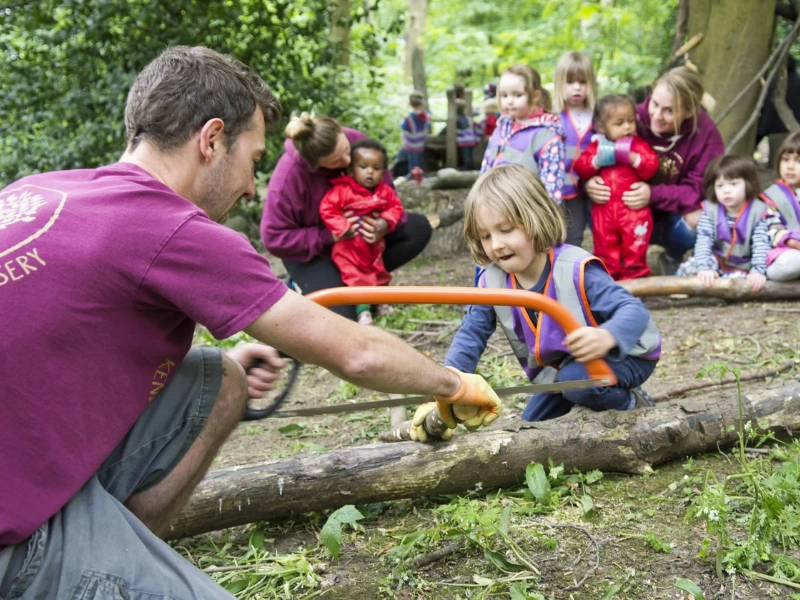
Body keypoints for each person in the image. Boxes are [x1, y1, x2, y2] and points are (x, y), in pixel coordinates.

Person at [0, 46, 502, 599]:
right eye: (254, 160)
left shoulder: (37, 192)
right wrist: (454, 384)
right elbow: (354, 352)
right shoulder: (170, 228)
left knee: (217, 379)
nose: (251, 187)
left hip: (22, 470)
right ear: (211, 140)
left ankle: (119, 563)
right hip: (14, 533)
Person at [446, 164, 661, 423]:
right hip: (563, 371)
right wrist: (450, 381)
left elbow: (634, 312)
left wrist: (607, 336)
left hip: (626, 355)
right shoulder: (491, 281)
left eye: (506, 230)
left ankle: (632, 406)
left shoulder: (576, 268)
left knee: (577, 381)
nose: (496, 244)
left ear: (535, 218)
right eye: (485, 236)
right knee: (531, 428)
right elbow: (472, 333)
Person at [261, 113, 432, 321]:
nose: (347, 160)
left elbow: (389, 195)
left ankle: (365, 282)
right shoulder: (288, 177)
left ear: (339, 129)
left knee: (418, 228)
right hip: (317, 252)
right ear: (315, 164)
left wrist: (384, 223)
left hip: (362, 244)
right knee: (343, 319)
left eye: (345, 150)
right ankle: (309, 283)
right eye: (336, 161)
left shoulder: (357, 142)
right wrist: (330, 236)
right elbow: (273, 238)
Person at [584, 67, 725, 274]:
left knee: (700, 217)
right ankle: (615, 263)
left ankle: (671, 257)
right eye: (655, 104)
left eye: (669, 110)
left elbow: (700, 189)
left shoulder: (706, 135)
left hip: (671, 216)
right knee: (595, 196)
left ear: (688, 111)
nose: (657, 115)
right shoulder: (630, 116)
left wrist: (652, 194)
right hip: (622, 209)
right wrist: (587, 182)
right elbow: (591, 148)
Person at [574, 95, 660, 280]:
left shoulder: (637, 144)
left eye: (630, 121)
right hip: (604, 210)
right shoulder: (596, 145)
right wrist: (596, 160)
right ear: (603, 127)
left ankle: (636, 277)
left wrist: (634, 158)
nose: (627, 127)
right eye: (619, 123)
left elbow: (651, 166)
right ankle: (608, 277)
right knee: (604, 244)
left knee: (635, 244)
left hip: (633, 209)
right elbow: (580, 167)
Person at [319, 139, 405, 324]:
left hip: (374, 247)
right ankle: (363, 310)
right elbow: (328, 209)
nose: (370, 172)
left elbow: (396, 207)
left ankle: (382, 302)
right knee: (356, 278)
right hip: (348, 249)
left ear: (383, 172)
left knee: (380, 273)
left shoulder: (385, 192)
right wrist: (342, 226)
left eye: (376, 167)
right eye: (363, 166)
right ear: (351, 170)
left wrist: (386, 220)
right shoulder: (342, 191)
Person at [676, 155, 774, 291]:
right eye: (720, 186)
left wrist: (758, 270)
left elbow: (761, 243)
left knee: (745, 282)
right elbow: (704, 240)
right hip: (716, 259)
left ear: (748, 183)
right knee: (691, 267)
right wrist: (704, 267)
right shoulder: (710, 210)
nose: (726, 190)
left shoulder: (758, 211)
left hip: (744, 263)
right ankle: (684, 286)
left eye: (733, 184)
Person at [480, 64, 566, 205]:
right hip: (494, 205)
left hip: (526, 211)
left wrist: (545, 219)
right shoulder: (501, 128)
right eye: (504, 95)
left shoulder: (546, 136)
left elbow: (552, 188)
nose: (510, 101)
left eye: (517, 95)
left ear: (535, 96)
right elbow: (486, 166)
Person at [553, 51, 597, 246]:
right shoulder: (554, 119)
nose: (577, 87)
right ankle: (568, 272)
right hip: (567, 191)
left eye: (583, 82)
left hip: (596, 186)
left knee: (604, 231)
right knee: (572, 236)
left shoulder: (600, 116)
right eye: (570, 82)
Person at [760, 132, 800, 281]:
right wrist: (791, 241)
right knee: (793, 262)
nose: (790, 166)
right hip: (783, 252)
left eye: (798, 161)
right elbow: (769, 230)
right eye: (785, 159)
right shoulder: (771, 196)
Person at [400, 90, 430, 176]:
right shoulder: (425, 115)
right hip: (420, 142)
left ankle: (413, 175)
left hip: (411, 143)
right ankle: (419, 173)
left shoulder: (409, 117)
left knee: (413, 161)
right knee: (419, 159)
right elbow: (427, 124)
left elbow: (404, 127)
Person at [456, 98, 478, 170]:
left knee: (466, 155)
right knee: (470, 154)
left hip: (463, 140)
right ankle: (471, 166)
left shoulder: (456, 118)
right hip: (471, 138)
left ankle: (468, 167)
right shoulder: (468, 118)